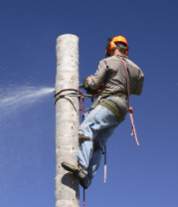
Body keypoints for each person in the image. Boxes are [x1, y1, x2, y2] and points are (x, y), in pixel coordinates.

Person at [62, 36, 145, 189]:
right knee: (99, 142)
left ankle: (81, 165)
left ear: (112, 46)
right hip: (121, 110)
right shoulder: (137, 70)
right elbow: (136, 90)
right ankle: (87, 178)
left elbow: (93, 84)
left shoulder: (107, 62)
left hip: (109, 103)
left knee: (86, 129)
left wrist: (89, 83)